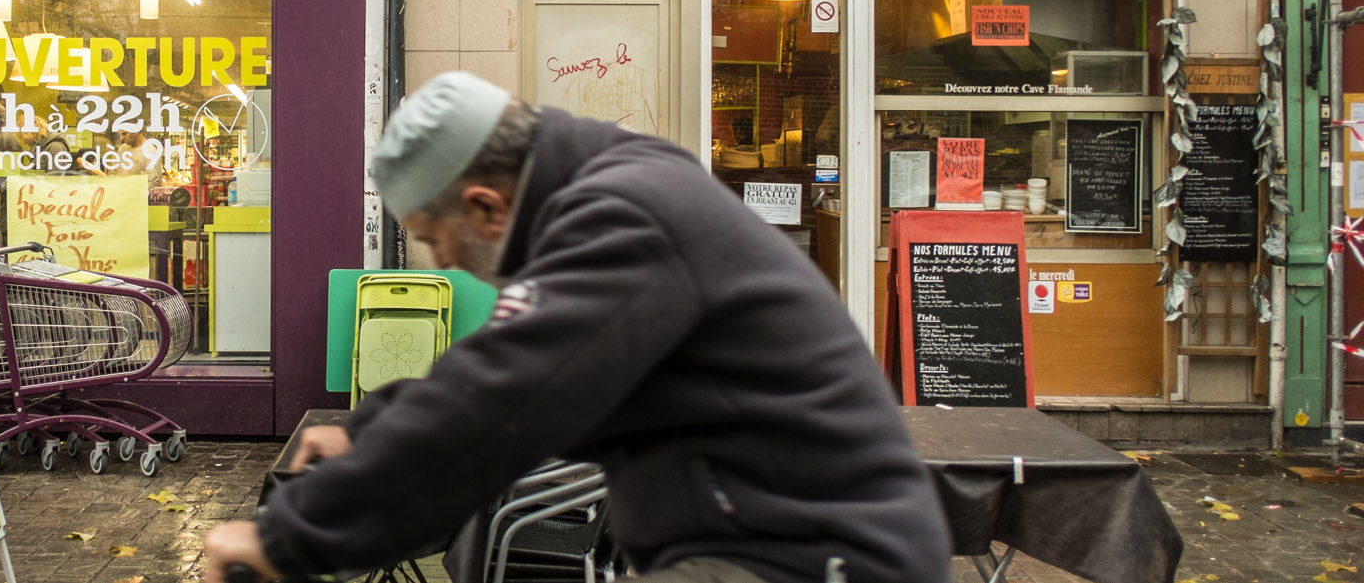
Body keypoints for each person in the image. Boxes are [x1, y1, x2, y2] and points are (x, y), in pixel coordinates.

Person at [203, 71, 950, 583]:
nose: (442, 261)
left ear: (488, 205)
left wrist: (283, 537)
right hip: (764, 539)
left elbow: (498, 402)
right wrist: (368, 433)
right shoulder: (604, 198)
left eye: (434, 236)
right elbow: (507, 364)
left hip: (813, 555)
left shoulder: (626, 214)